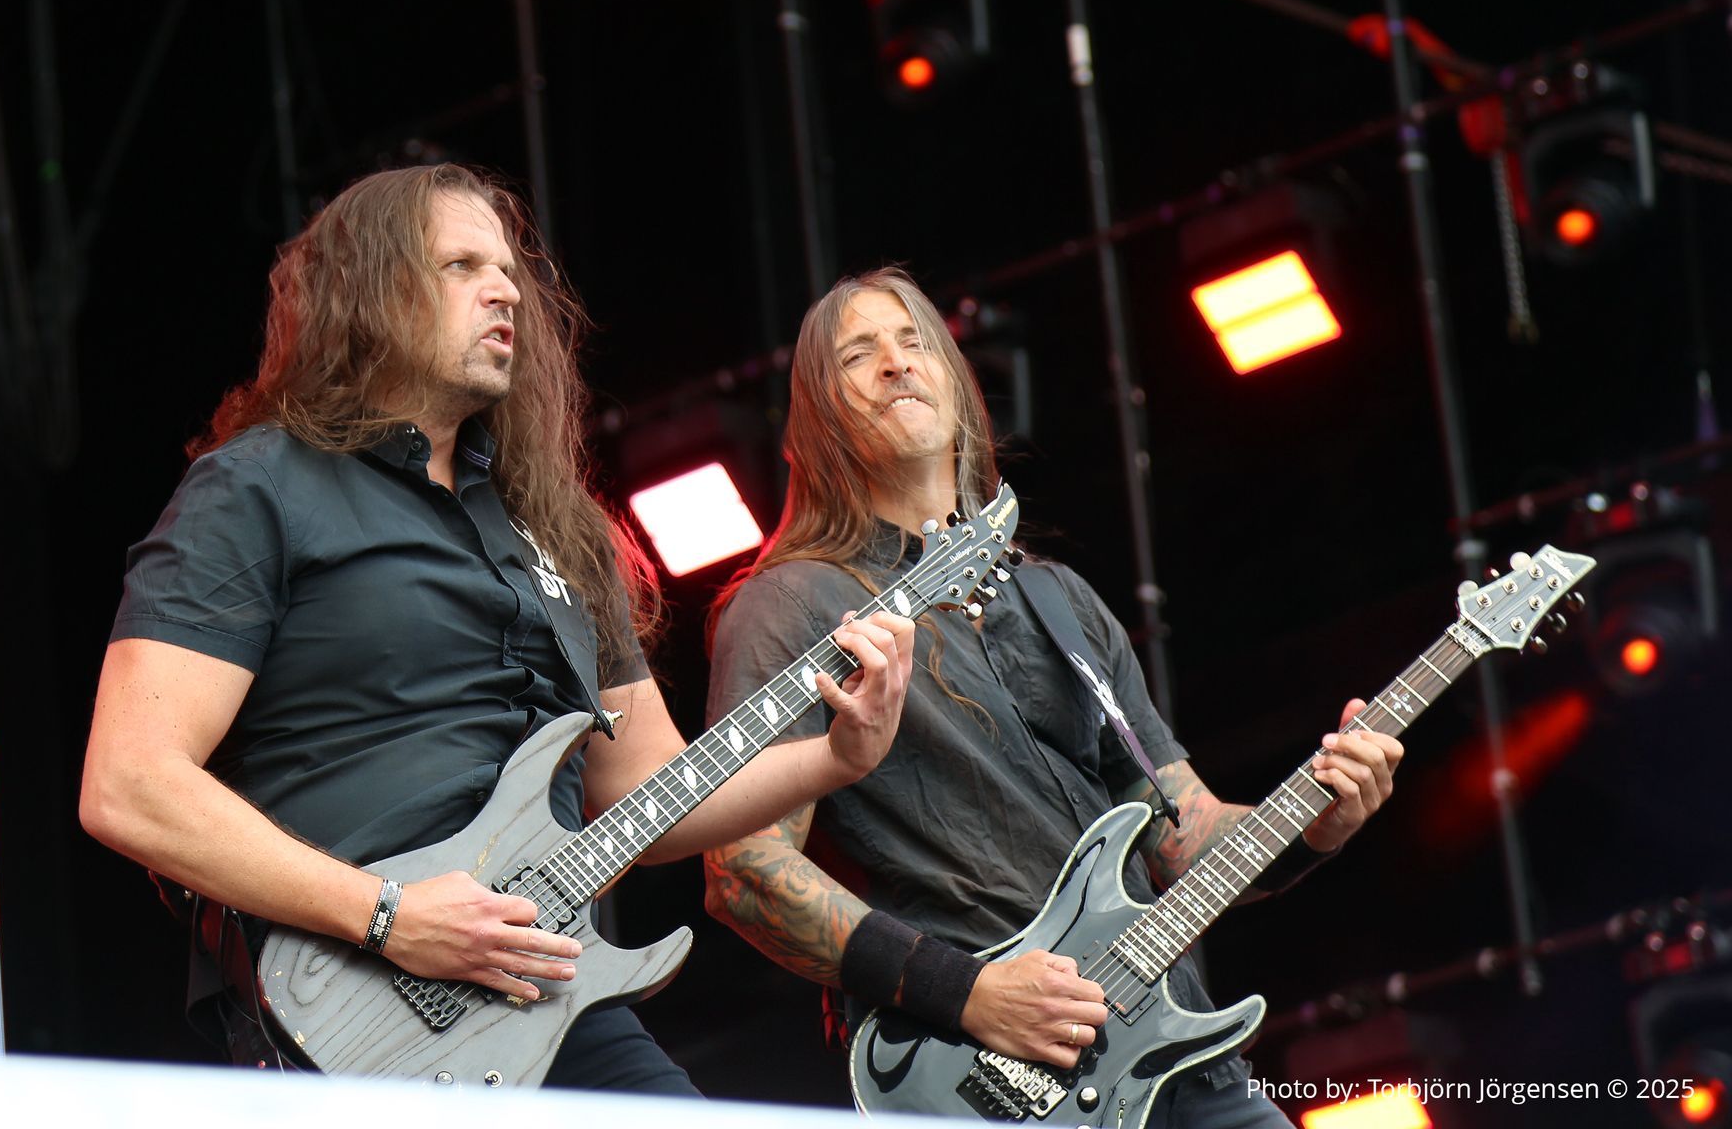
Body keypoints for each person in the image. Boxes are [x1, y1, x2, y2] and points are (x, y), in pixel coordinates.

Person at [78, 165, 915, 1094]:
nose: (505, 291)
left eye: (510, 271)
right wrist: (389, 916)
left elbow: (650, 792)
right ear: (371, 291)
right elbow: (129, 784)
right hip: (359, 1008)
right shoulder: (259, 489)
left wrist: (836, 757)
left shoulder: (558, 531)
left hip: (541, 989)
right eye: (462, 266)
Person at [702, 268, 1403, 1126]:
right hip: (979, 1070)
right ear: (817, 419)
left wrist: (1317, 821)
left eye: (915, 342)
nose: (895, 362)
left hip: (1166, 1054)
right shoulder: (794, 602)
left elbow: (1182, 838)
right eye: (858, 355)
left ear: (959, 387)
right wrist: (969, 992)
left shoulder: (1058, 598)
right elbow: (743, 869)